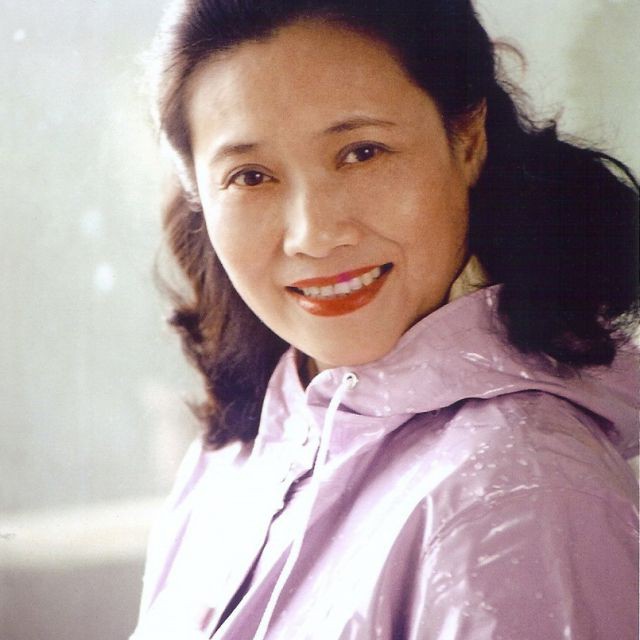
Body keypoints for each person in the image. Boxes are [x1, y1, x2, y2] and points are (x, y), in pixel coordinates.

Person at [132, 1, 639, 638]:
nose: (313, 235)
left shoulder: (519, 496)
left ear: (467, 140)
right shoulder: (242, 450)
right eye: (251, 176)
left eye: (362, 152)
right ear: (200, 198)